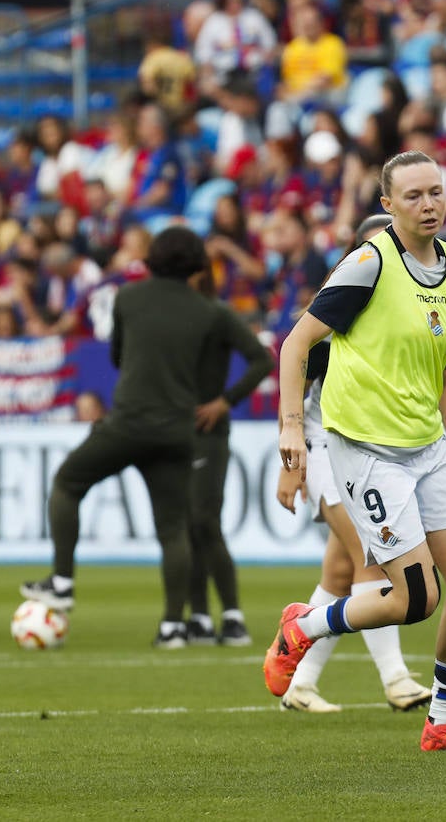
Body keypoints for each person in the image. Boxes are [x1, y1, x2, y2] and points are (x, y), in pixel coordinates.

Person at [264, 151, 446, 752]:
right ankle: (304, 627)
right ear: (388, 206)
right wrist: (290, 428)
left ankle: (443, 723)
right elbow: (296, 343)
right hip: (366, 450)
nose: (429, 204)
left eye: (436, 192)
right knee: (417, 598)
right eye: (413, 196)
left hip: (428, 445)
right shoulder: (367, 264)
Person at [21, 227, 250, 648]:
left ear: (153, 259)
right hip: (178, 430)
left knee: (68, 483)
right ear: (197, 264)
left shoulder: (129, 297)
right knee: (173, 528)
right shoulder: (209, 312)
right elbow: (253, 358)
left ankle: (62, 581)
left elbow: (116, 355)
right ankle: (171, 627)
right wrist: (222, 398)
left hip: (130, 421)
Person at [276, 213, 446, 713]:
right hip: (331, 445)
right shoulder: (336, 306)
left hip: (390, 446)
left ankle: (301, 681)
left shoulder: (419, 305)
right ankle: (396, 678)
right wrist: (290, 460)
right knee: (372, 556)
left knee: (342, 570)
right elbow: (297, 369)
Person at [185, 272, 275, 646]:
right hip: (175, 432)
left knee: (204, 521)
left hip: (208, 433)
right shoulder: (169, 317)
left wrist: (225, 402)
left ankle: (233, 616)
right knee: (188, 526)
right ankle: (200, 618)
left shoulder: (218, 315)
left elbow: (262, 361)